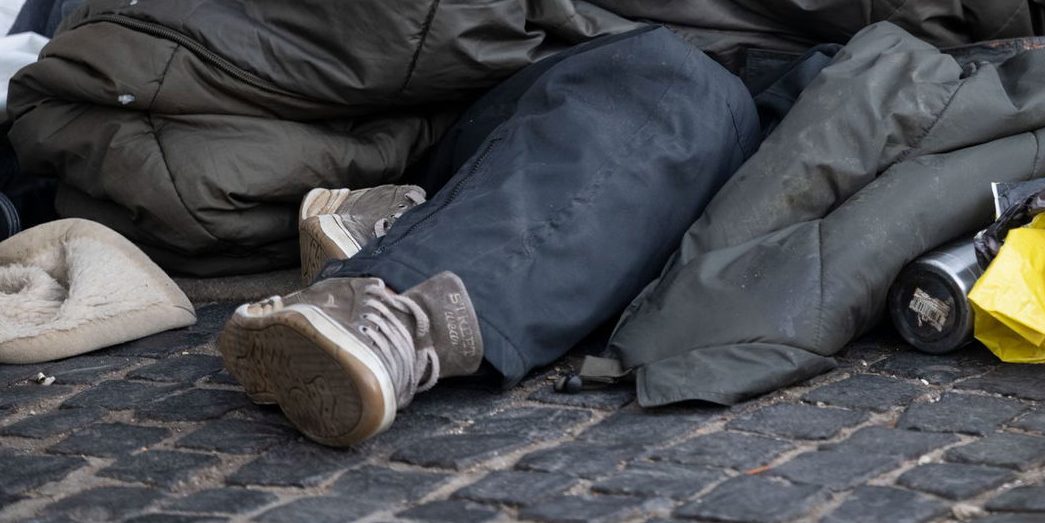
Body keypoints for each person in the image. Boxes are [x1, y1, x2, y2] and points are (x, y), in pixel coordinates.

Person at [217, 27, 761, 446]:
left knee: (695, 105)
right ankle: (403, 308)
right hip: (589, 85)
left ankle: (404, 231)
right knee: (682, 90)